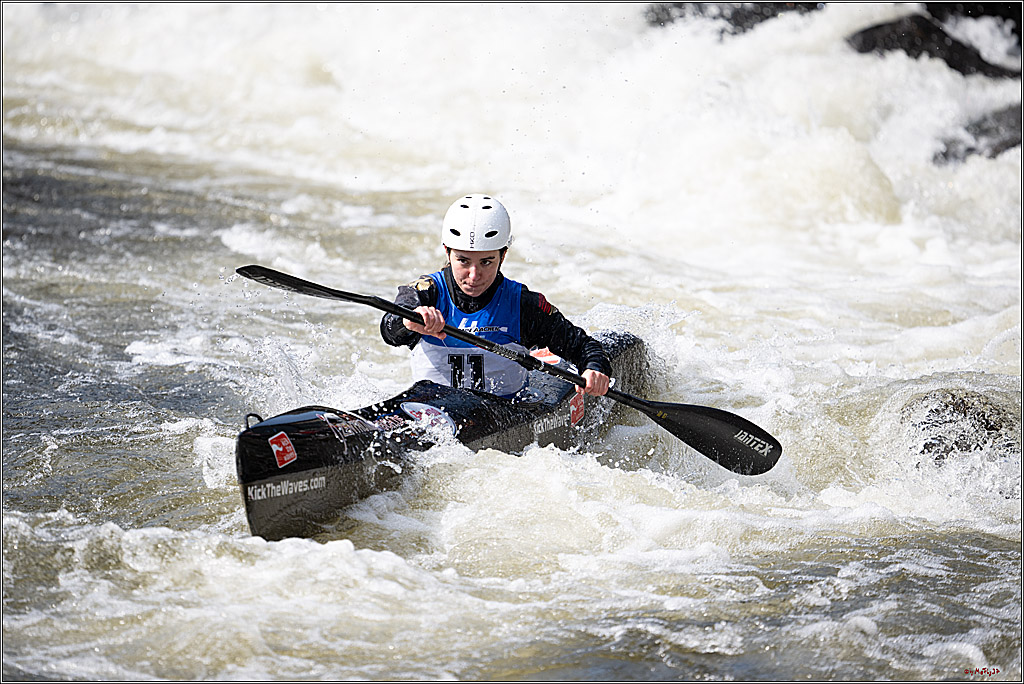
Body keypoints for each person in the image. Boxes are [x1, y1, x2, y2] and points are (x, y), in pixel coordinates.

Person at [380, 194, 611, 399]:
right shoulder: (424, 292)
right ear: (447, 251)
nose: (474, 275)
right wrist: (407, 322)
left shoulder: (522, 304)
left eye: (486, 262)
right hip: (431, 409)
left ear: (503, 255)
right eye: (463, 261)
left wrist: (594, 368)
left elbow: (584, 347)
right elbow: (389, 331)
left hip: (503, 412)